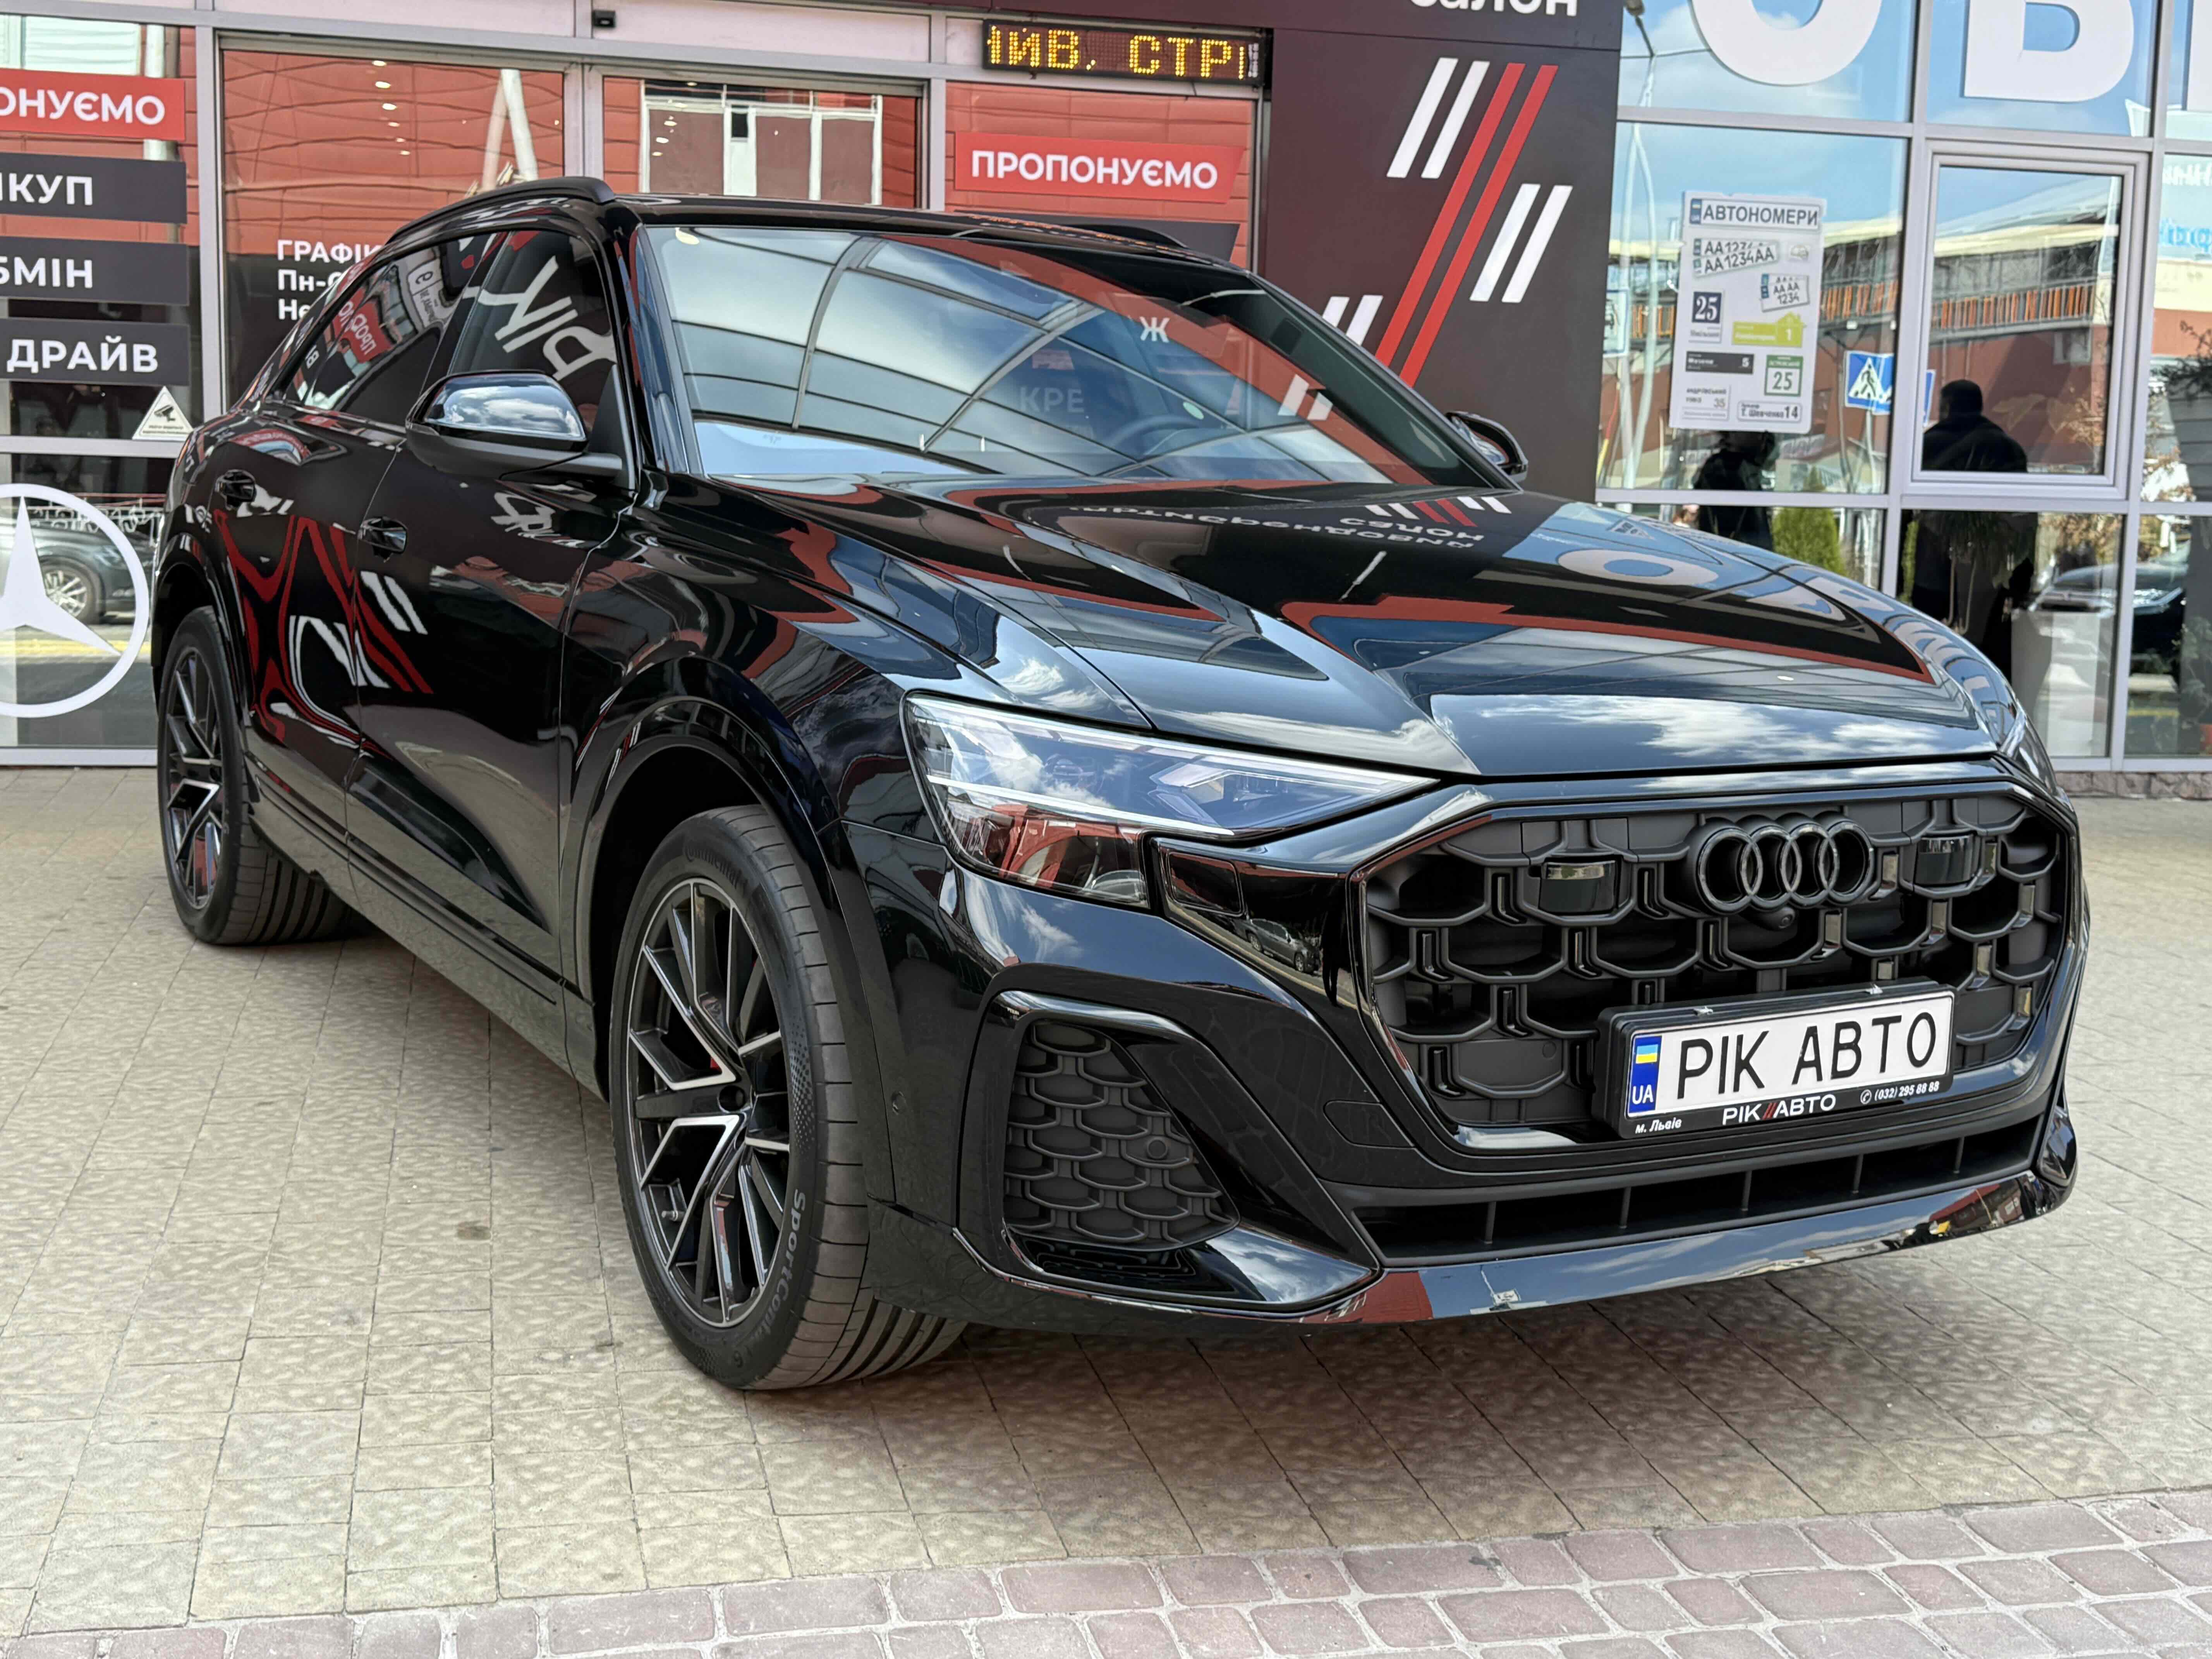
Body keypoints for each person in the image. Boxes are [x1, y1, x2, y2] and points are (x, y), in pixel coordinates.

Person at [1691, 430, 1778, 549]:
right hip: (1740, 539)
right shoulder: (1721, 466)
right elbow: (1707, 513)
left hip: (1750, 537)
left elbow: (1770, 444)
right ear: (1733, 435)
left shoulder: (1749, 461)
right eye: (1753, 433)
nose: (1759, 437)